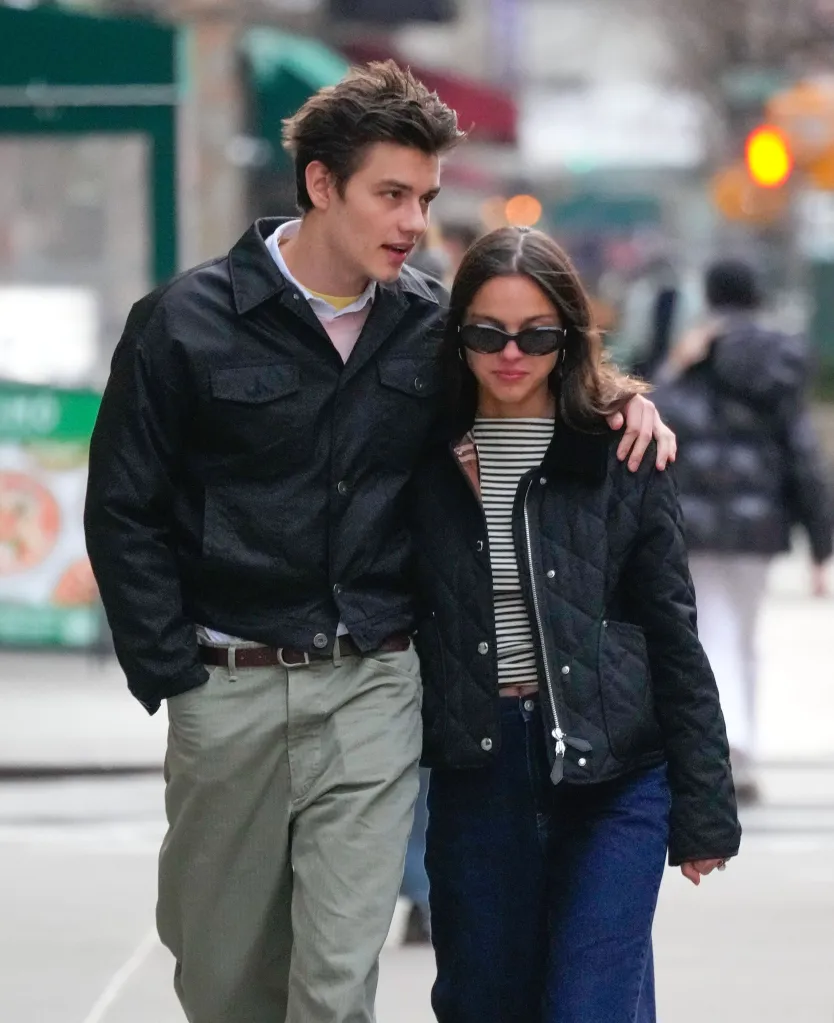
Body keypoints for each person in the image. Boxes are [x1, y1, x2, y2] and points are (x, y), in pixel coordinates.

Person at [84, 62, 676, 1023]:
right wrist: (173, 675)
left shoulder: (430, 327)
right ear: (322, 185)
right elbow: (123, 509)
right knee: (225, 977)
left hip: (376, 684)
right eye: (391, 194)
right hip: (227, 685)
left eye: (426, 197)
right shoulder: (184, 324)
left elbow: (530, 376)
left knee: (334, 979)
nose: (413, 221)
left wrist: (625, 405)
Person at [408, 226, 741, 1023]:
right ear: (459, 335)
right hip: (477, 769)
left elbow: (672, 630)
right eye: (488, 332)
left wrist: (704, 805)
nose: (512, 353)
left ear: (571, 335)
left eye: (538, 334)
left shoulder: (620, 449)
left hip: (616, 772)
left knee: (590, 1005)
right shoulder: (418, 452)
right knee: (486, 1002)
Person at [652, 259, 833, 801]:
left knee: (712, 632)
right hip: (759, 527)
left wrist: (673, 367)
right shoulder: (781, 360)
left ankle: (724, 745)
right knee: (746, 635)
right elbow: (803, 454)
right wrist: (821, 546)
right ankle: (742, 746)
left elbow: (656, 419)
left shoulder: (696, 351)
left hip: (697, 523)